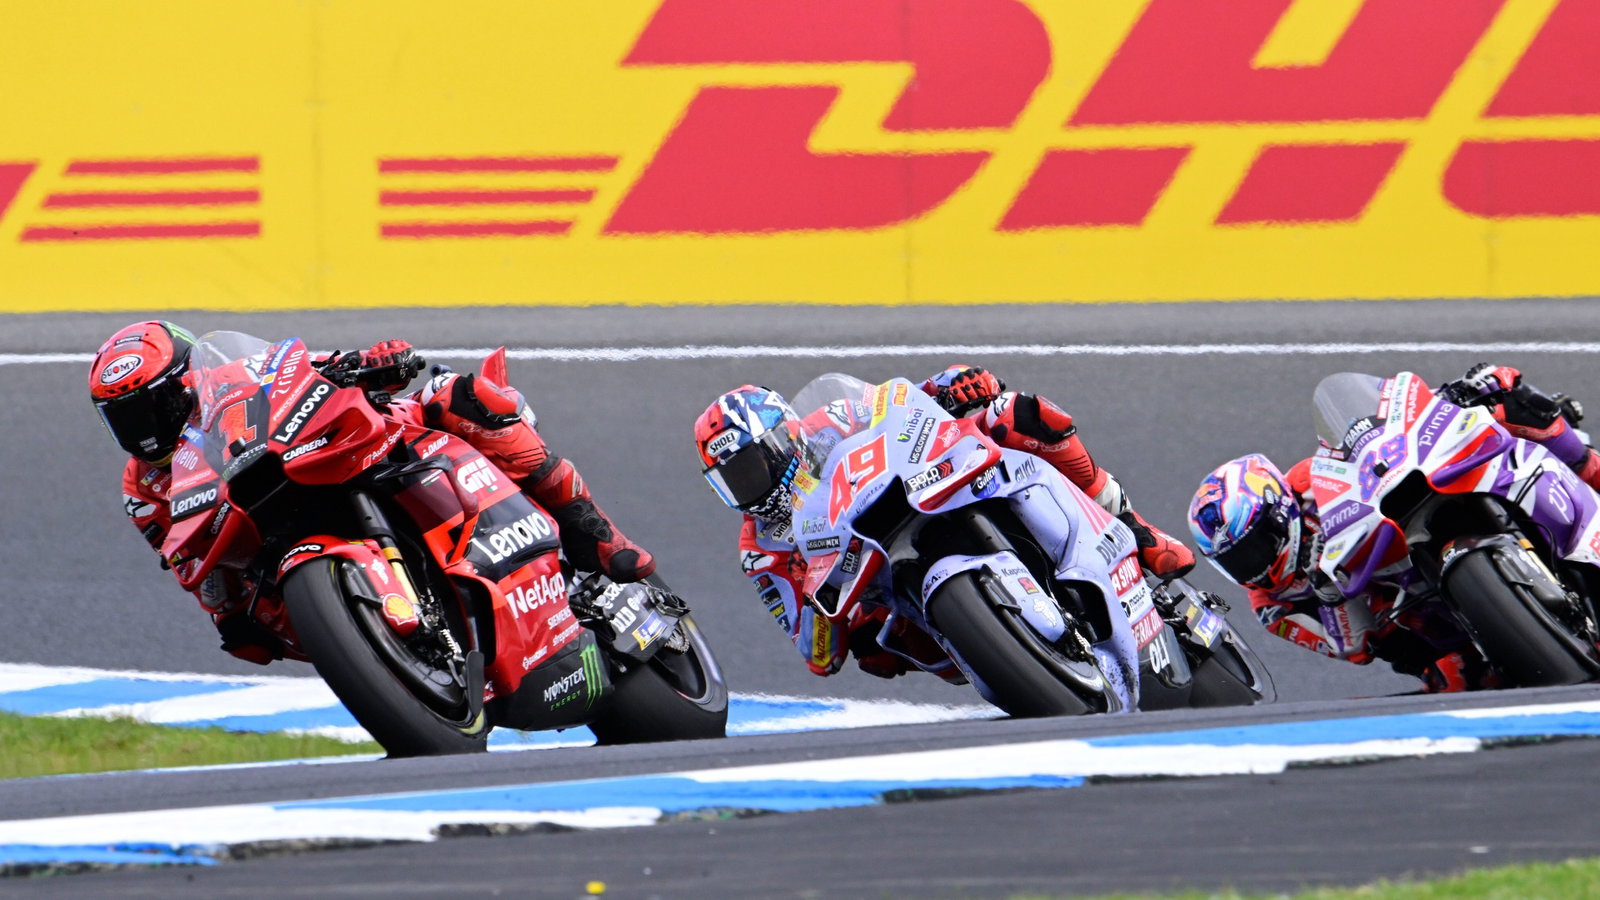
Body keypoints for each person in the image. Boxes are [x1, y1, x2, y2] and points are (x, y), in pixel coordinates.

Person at [90, 321, 653, 665]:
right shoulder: (142, 488)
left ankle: (594, 532)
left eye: (155, 405)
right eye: (125, 417)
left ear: (188, 380)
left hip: (337, 452)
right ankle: (385, 649)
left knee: (463, 397)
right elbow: (197, 571)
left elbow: (301, 373)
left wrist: (369, 363)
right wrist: (225, 613)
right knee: (250, 626)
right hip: (268, 541)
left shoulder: (233, 377)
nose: (145, 428)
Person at [693, 365, 1195, 680]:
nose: (749, 489)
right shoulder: (760, 548)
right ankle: (1003, 655)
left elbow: (899, 403)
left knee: (1020, 415)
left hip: (926, 485)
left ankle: (1137, 529)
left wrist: (952, 385)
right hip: (885, 582)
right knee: (879, 650)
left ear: (783, 435)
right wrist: (821, 611)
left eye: (753, 467)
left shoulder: (831, 421)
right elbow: (815, 654)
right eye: (732, 481)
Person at [1186, 363, 1599, 693]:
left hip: (1401, 521)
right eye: (1236, 562)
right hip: (1418, 617)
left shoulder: (1306, 481)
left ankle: (1586, 470)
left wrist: (1449, 399)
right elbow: (1356, 648)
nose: (1253, 568)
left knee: (1508, 398)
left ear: (1280, 512)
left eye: (1255, 547)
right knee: (1453, 679)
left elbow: (1371, 447)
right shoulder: (1272, 607)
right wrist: (1333, 598)